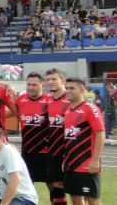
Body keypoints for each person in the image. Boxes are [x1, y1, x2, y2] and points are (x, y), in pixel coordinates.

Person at [63, 78, 105, 205]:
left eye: (72, 88)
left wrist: (95, 159)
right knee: (75, 198)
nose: (68, 91)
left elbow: (100, 134)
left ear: (82, 90)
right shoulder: (68, 110)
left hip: (86, 162)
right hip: (71, 162)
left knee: (92, 198)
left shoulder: (90, 108)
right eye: (67, 88)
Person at [13, 72, 52, 196]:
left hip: (47, 151)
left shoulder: (49, 100)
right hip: (27, 151)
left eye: (34, 85)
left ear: (43, 85)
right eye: (28, 84)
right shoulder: (21, 100)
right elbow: (9, 113)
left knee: (53, 186)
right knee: (26, 186)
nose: (30, 87)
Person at [45, 68, 70, 205]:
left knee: (76, 187)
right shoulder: (48, 100)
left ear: (63, 81)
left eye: (54, 79)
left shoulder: (71, 98)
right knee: (56, 183)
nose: (50, 82)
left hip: (71, 149)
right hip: (54, 148)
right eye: (48, 79)